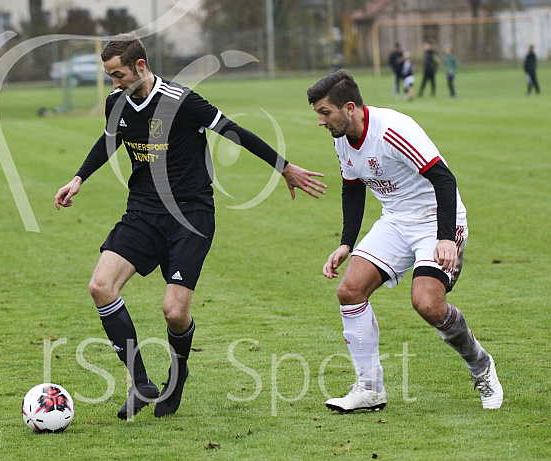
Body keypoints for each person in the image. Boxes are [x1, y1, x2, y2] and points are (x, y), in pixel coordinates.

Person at [54, 34, 327, 420]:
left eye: (118, 74)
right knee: (100, 286)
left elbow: (234, 131)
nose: (114, 82)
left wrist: (285, 167)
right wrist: (79, 178)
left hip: (190, 215)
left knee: (173, 311)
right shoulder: (117, 102)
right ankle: (141, 383)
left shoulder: (180, 101)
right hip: (143, 212)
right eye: (109, 75)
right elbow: (111, 139)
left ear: (141, 67)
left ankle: (177, 375)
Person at [306, 69, 503, 412]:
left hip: (437, 219)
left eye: (325, 112)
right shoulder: (341, 138)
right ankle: (369, 388)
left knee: (427, 303)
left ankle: (480, 365)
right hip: (396, 221)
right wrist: (345, 244)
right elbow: (352, 188)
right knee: (349, 291)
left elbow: (443, 179)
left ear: (348, 108)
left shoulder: (393, 129)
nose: (321, 121)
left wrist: (445, 238)